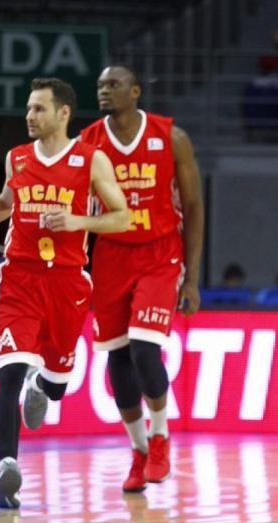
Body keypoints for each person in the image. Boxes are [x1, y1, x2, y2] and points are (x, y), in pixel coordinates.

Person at [0, 78, 129, 508]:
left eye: (39, 109)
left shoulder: (90, 160)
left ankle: (45, 385)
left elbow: (122, 218)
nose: (29, 115)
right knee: (8, 374)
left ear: (63, 114)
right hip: (19, 279)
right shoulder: (17, 159)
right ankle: (8, 466)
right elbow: (6, 203)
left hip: (67, 283)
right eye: (28, 108)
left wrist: (80, 223)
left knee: (58, 384)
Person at [76, 65, 204, 493]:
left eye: (112, 84)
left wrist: (192, 278)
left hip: (159, 254)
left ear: (135, 90)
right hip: (110, 256)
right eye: (99, 85)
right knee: (118, 361)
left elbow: (194, 206)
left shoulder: (171, 137)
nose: (104, 91)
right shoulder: (88, 143)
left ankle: (161, 435)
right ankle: (138, 450)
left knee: (146, 350)